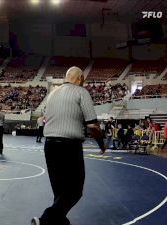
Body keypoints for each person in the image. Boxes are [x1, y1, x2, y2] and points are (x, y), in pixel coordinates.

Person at [31, 66, 105, 225]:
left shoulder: (52, 94)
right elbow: (92, 126)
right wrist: (102, 144)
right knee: (75, 190)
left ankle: (61, 222)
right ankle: (44, 221)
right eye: (83, 80)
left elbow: (43, 118)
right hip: (69, 147)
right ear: (80, 79)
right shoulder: (81, 92)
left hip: (49, 146)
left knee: (59, 191)